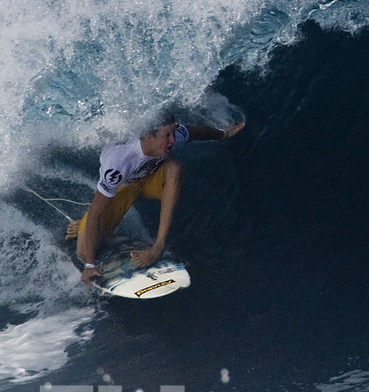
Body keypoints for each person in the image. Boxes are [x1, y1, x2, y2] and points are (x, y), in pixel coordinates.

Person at [69, 112, 245, 284]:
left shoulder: (172, 140)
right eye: (166, 135)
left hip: (151, 180)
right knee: (84, 251)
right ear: (148, 136)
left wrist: (224, 134)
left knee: (174, 168)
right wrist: (89, 265)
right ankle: (86, 224)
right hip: (124, 189)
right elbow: (97, 213)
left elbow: (197, 132)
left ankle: (158, 246)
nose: (172, 140)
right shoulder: (119, 161)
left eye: (173, 133)